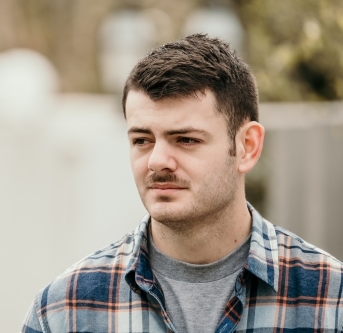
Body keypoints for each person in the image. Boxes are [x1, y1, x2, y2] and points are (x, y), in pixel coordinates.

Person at [21, 34, 343, 333]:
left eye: (186, 139)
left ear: (248, 147)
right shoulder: (63, 312)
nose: (157, 160)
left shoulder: (331, 301)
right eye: (142, 140)